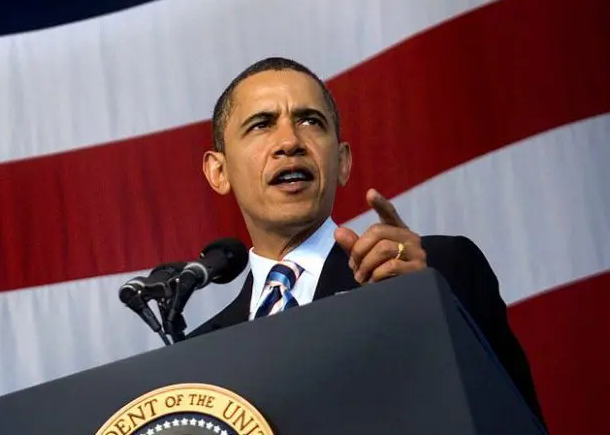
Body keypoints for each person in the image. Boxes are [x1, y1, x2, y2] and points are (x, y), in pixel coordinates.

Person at [185, 57, 544, 424]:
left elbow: (513, 420)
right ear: (219, 171)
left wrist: (427, 307)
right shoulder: (196, 355)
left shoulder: (433, 271)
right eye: (261, 124)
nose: (290, 142)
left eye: (311, 121)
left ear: (342, 162)